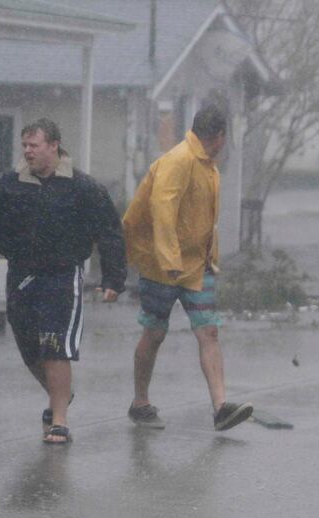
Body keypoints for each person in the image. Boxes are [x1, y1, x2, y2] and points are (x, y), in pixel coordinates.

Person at [0, 118, 127, 445]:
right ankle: (60, 396)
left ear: (53, 146)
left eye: (34, 145)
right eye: (24, 146)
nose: (27, 151)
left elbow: (110, 232)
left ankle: (59, 421)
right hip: (22, 274)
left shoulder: (82, 187)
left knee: (55, 345)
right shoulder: (10, 185)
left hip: (62, 274)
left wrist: (112, 278)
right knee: (30, 348)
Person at [122, 104, 253, 431]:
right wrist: (169, 260)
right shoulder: (178, 160)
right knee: (154, 333)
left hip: (198, 266)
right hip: (161, 266)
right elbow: (162, 209)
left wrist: (209, 257)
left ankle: (221, 407)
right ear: (221, 137)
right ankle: (140, 403)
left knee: (208, 330)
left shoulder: (207, 165)